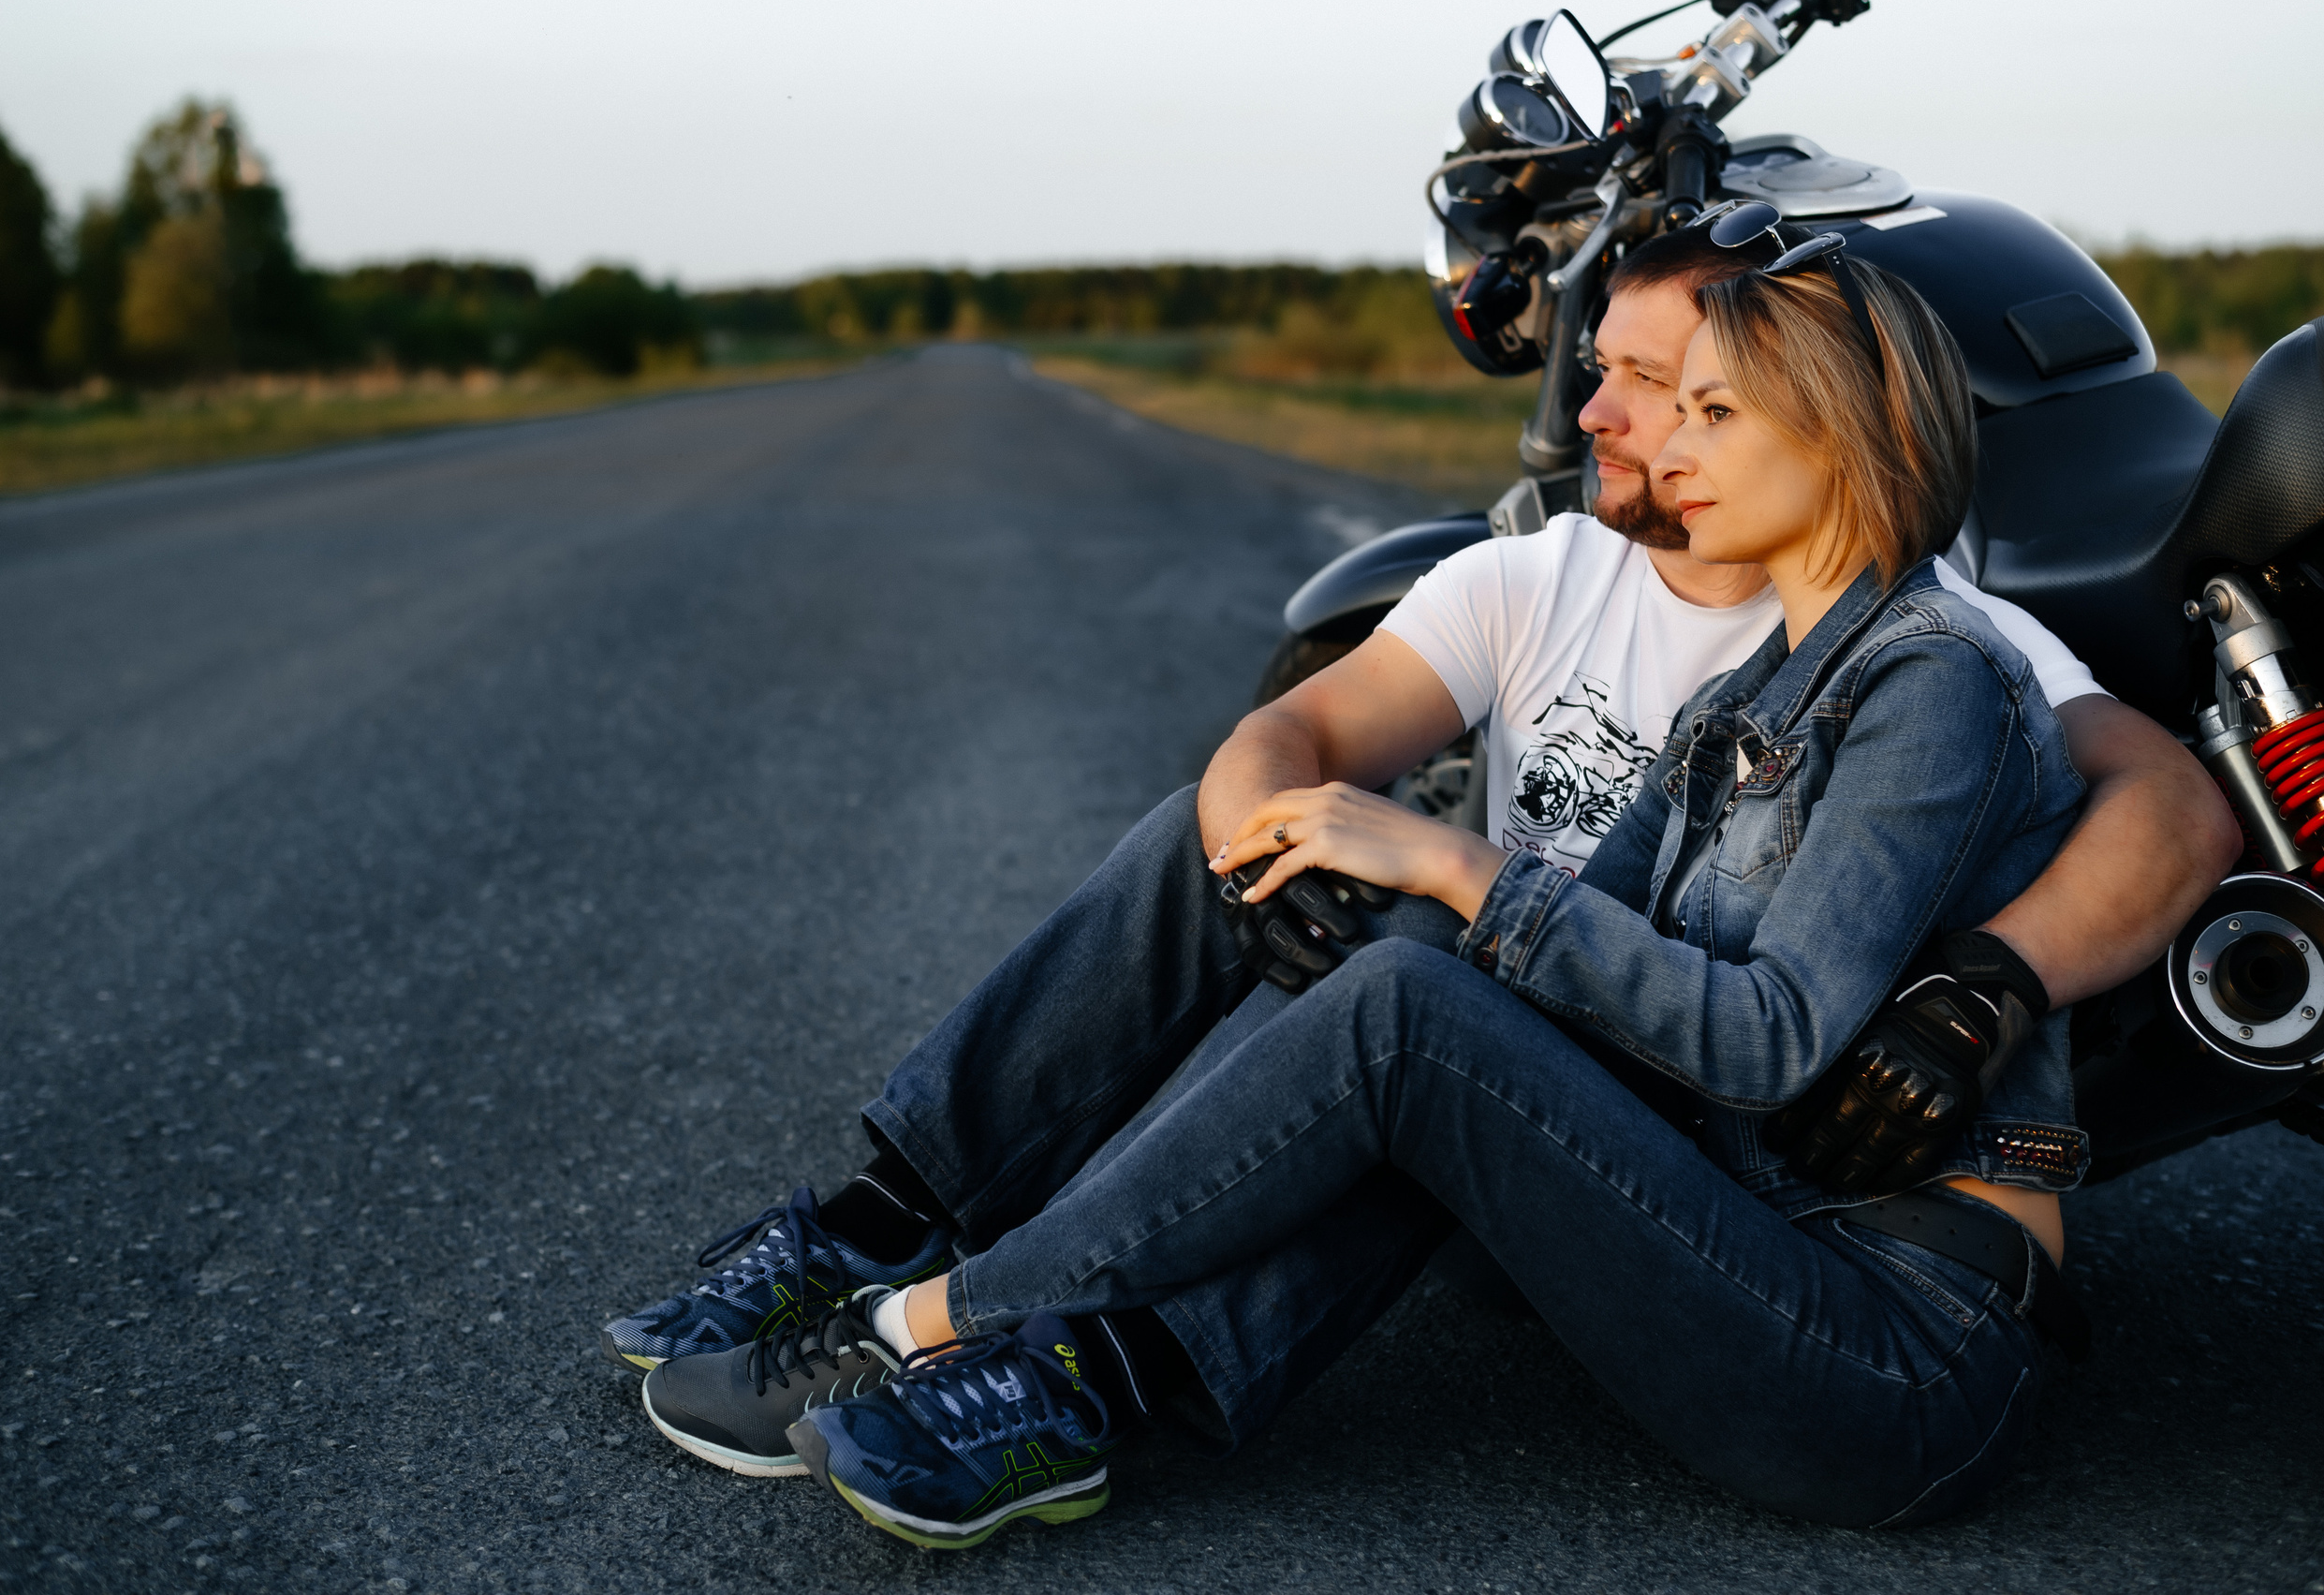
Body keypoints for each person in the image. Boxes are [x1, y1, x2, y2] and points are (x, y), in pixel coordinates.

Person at [598, 232, 2241, 1541]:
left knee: (1409, 1001)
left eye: (1705, 405)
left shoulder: (1942, 669)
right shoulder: (1741, 698)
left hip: (1889, 1341)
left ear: (1854, 430)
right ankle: (997, 1329)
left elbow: (1768, 1037)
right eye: (1643, 394)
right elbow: (1492, 909)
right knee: (1404, 971)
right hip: (1734, 1209)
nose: (1652, 435)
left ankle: (943, 1325)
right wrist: (1351, 868)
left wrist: (1451, 863)